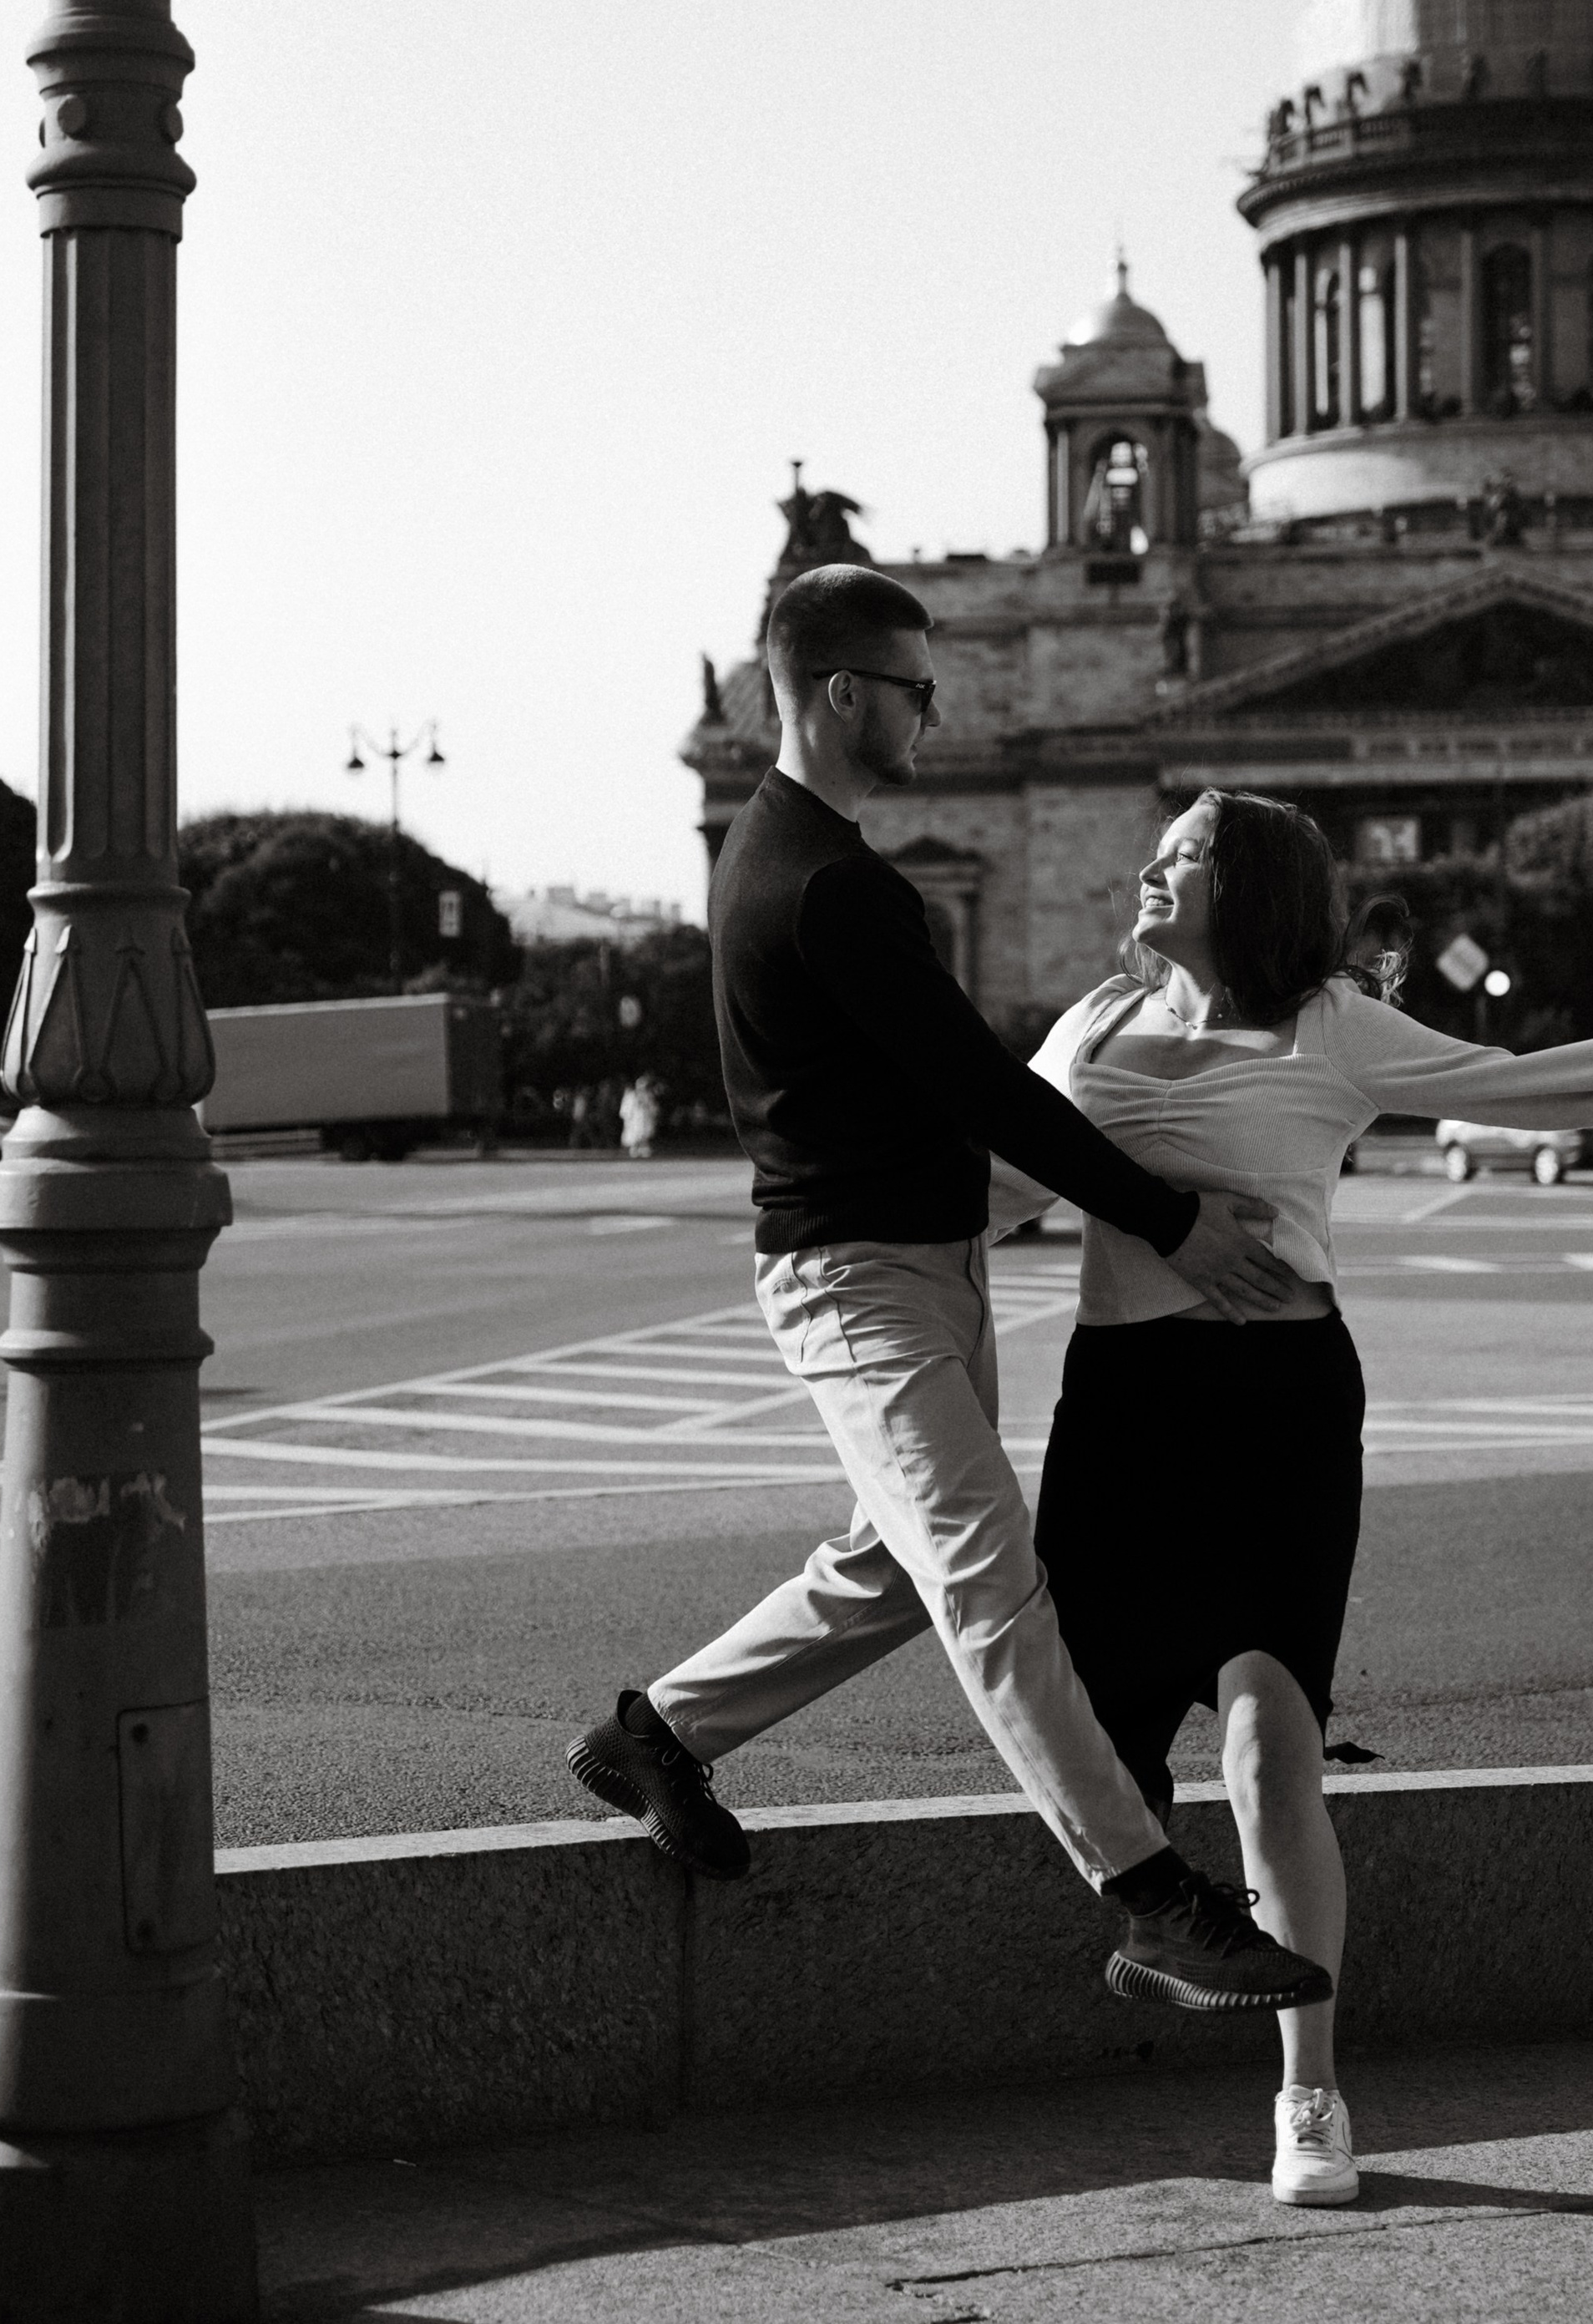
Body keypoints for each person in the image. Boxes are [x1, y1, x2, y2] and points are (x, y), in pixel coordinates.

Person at [1003, 787, 1593, 2206]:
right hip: (1123, 1418)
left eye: (1184, 855)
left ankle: (1310, 2093)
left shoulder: (1331, 1025)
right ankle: (1167, 1934)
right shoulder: (1088, 1025)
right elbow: (998, 1173)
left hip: (1280, 1412)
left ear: (1246, 886)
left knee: (1271, 1753)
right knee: (1096, 1752)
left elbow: (1524, 1083)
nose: (1149, 869)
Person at [569, 566, 1333, 2017]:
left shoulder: (768, 847)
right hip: (862, 1283)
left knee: (893, 1568)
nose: (936, 711)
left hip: (910, 1267)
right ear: (844, 693)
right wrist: (1170, 1216)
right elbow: (981, 1085)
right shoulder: (837, 885)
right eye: (918, 687)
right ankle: (1152, 1893)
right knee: (991, 1585)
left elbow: (948, 1096)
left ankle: (655, 1735)